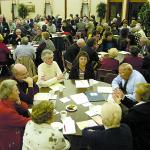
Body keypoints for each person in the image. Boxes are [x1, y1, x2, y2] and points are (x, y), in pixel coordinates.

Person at [113, 83, 150, 150]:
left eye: (135, 92)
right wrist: (123, 97)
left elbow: (123, 120)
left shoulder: (138, 112)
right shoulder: (145, 104)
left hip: (139, 143)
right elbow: (136, 105)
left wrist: (118, 104)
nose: (134, 93)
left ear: (140, 96)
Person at [0, 79, 30, 150]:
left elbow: (25, 107)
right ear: (9, 94)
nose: (19, 92)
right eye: (16, 91)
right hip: (10, 139)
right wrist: (42, 116)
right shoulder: (6, 111)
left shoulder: (7, 100)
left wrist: (19, 102)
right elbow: (25, 122)